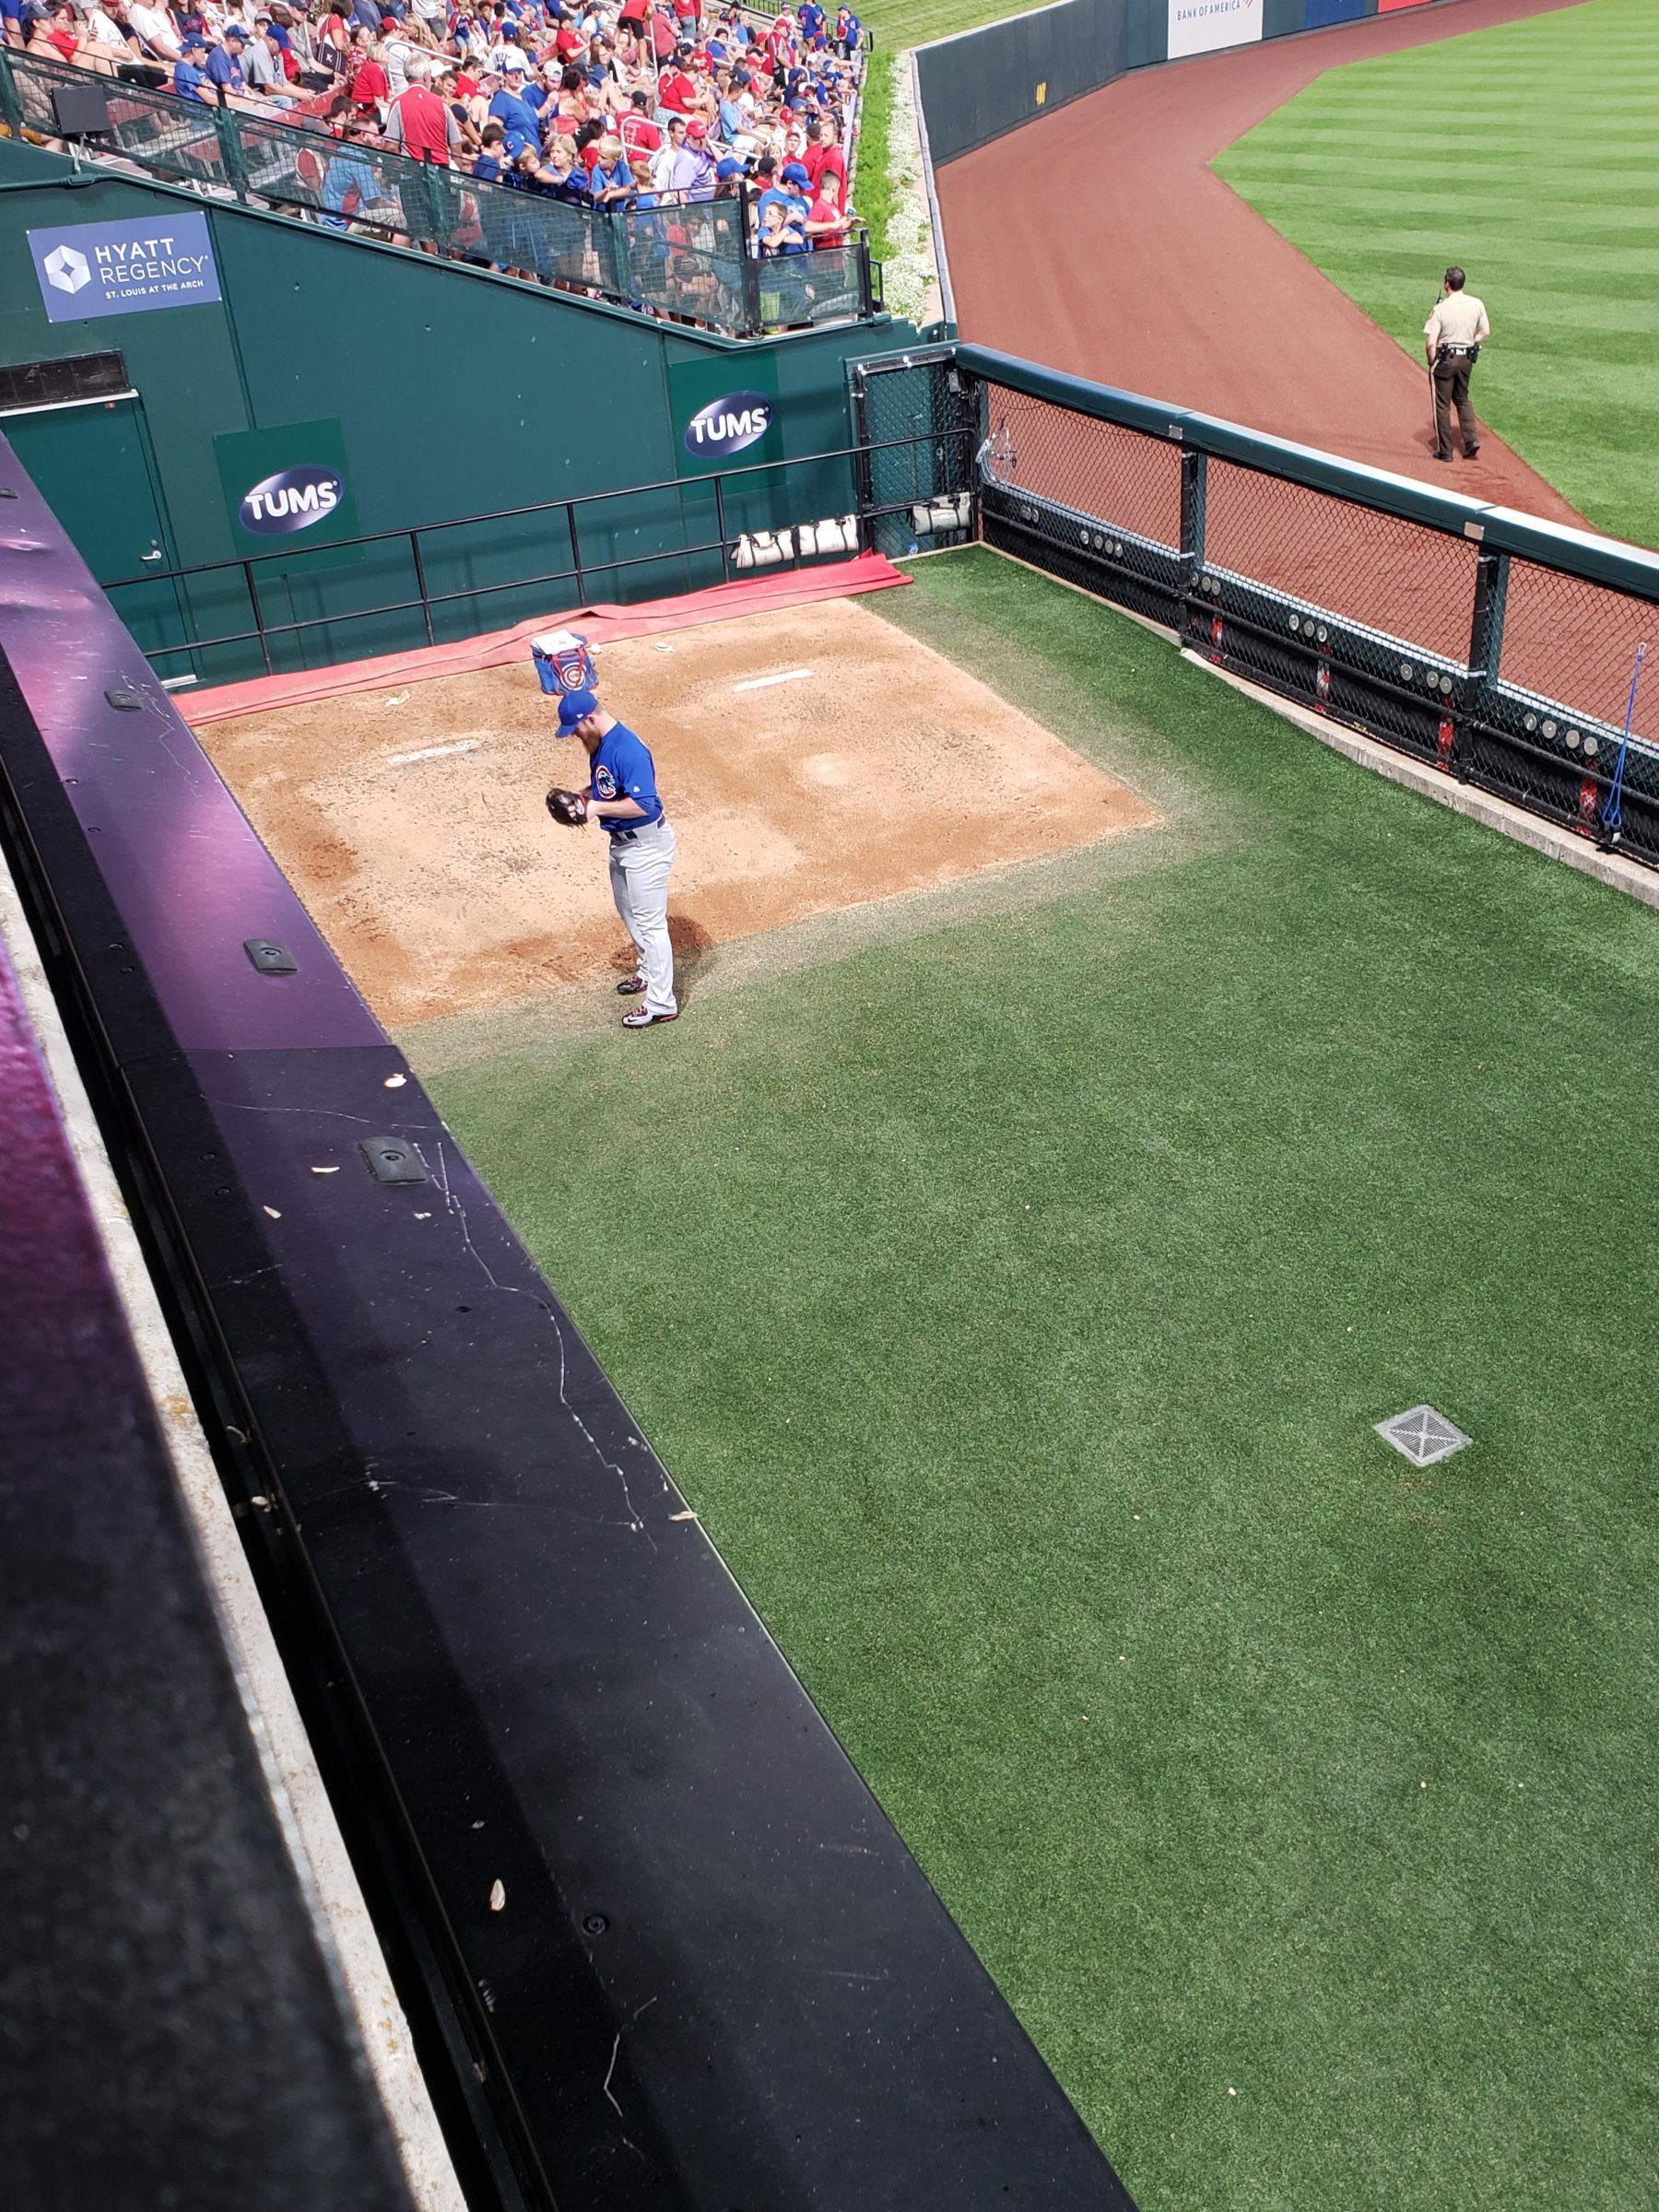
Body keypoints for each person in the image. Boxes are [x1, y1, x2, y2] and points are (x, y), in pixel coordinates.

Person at [554, 688, 679, 1027]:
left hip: (646, 847)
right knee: (631, 914)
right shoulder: (600, 745)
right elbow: (609, 787)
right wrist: (582, 796)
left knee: (651, 925)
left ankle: (661, 1003)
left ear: (590, 719)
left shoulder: (627, 749)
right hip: (622, 845)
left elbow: (645, 804)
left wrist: (594, 808)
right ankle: (650, 974)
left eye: (576, 729)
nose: (574, 736)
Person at [1424, 265, 1489, 465]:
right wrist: (1471, 343)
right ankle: (1471, 440)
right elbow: (1485, 331)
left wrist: (1432, 361)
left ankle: (1445, 450)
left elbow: (1430, 343)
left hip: (1445, 359)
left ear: (1447, 284)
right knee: (1462, 398)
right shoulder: (1477, 303)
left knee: (1442, 404)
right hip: (1466, 359)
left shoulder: (1441, 308)